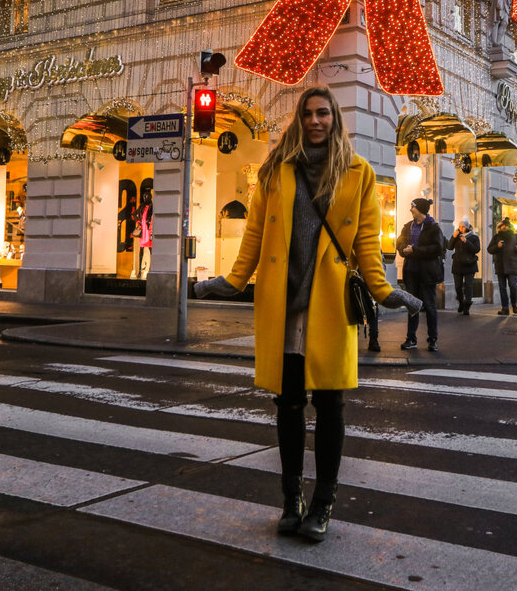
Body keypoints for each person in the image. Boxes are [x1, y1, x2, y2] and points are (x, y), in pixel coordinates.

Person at [193, 86, 420, 542]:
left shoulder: (358, 173)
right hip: (284, 303)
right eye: (308, 113)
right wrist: (234, 281)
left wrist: (384, 290)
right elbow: (255, 233)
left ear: (334, 118)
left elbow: (367, 243)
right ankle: (291, 499)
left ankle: (323, 503)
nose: (315, 121)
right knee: (289, 405)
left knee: (332, 405)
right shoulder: (277, 169)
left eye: (323, 113)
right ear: (299, 119)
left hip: (331, 303)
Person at [396, 198, 446, 351]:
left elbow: (438, 248)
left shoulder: (433, 227)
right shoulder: (408, 226)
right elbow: (400, 242)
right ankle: (411, 338)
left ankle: (433, 340)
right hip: (411, 272)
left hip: (427, 273)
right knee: (413, 306)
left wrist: (415, 250)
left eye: (413, 207)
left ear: (421, 210)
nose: (411, 209)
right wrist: (403, 248)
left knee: (430, 306)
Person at [487, 216, 517, 315]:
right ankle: (505, 308)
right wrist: (497, 246)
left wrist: (516, 247)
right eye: (502, 226)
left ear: (510, 227)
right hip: (500, 266)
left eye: (506, 226)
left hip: (512, 266)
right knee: (502, 288)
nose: (504, 227)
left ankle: (514, 304)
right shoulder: (496, 237)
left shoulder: (516, 236)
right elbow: (490, 249)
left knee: (513, 286)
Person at [450, 218, 481, 315]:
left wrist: (466, 242)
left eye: (463, 226)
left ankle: (467, 306)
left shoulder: (474, 237)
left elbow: (476, 249)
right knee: (458, 286)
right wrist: (453, 237)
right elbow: (449, 247)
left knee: (468, 286)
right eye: (459, 227)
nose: (461, 228)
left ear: (467, 227)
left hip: (469, 265)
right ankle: (461, 302)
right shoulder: (457, 236)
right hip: (458, 265)